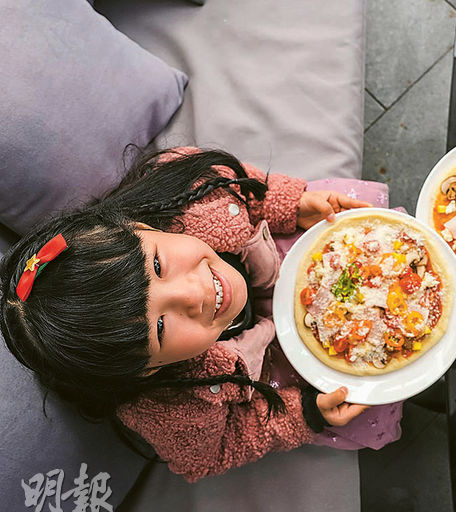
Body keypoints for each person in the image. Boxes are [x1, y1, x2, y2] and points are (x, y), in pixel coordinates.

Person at [0, 147, 401, 482]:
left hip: (275, 250)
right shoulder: (167, 408)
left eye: (157, 266)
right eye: (159, 326)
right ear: (149, 370)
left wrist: (288, 203)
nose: (194, 293)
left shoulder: (188, 192)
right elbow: (215, 451)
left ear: (139, 226)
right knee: (374, 400)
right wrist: (306, 413)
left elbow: (239, 186)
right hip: (271, 371)